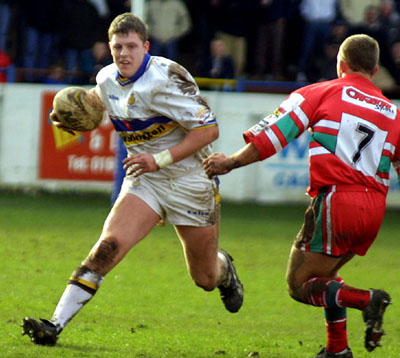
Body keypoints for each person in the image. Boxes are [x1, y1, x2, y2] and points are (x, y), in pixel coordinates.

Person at [21, 12, 243, 346]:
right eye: (117, 47)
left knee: (205, 277)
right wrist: (73, 118)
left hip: (191, 181)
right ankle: (54, 324)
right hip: (146, 181)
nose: (123, 54)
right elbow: (97, 105)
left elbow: (208, 130)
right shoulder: (107, 77)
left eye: (130, 46)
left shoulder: (167, 77)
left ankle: (224, 268)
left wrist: (160, 159)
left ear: (145, 47)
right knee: (107, 247)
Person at [204, 34, 396, 358]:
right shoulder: (393, 112)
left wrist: (232, 162)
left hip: (338, 200)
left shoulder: (320, 92)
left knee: (299, 283)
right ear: (376, 69)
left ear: (341, 64)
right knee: (327, 276)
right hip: (374, 209)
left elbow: (274, 135)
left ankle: (367, 300)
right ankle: (338, 350)